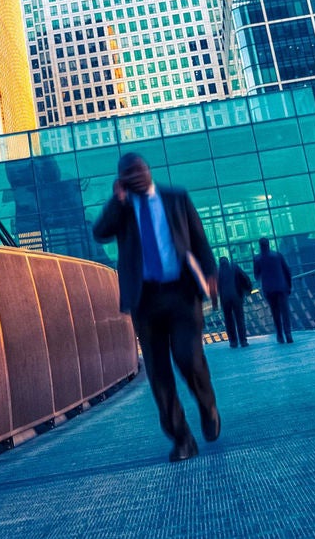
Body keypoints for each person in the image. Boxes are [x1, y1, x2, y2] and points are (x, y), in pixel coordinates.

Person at [92, 152, 221, 461]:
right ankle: (182, 440)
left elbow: (199, 241)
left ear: (148, 171)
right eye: (128, 175)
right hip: (145, 301)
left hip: (182, 293)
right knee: (159, 374)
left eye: (139, 171)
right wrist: (117, 201)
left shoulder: (176, 198)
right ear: (121, 180)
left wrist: (212, 275)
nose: (135, 177)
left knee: (188, 357)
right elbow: (100, 233)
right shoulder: (122, 209)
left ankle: (207, 406)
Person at [253, 237, 294, 344]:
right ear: (269, 244)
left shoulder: (257, 258)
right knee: (285, 311)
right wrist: (289, 286)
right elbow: (287, 271)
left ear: (260, 245)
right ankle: (288, 333)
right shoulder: (277, 255)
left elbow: (256, 275)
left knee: (275, 312)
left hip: (268, 289)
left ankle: (279, 335)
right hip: (281, 287)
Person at [215, 253, 252, 348]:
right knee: (240, 319)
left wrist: (215, 300)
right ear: (228, 261)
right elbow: (244, 277)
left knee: (228, 320)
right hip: (236, 296)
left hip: (225, 299)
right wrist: (248, 289)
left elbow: (215, 287)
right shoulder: (234, 267)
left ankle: (233, 342)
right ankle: (243, 341)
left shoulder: (217, 271)